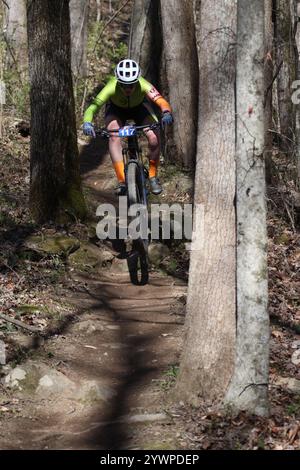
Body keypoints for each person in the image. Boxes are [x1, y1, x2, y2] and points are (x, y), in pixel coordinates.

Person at [83, 59, 173, 195]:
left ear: (137, 81)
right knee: (114, 136)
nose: (128, 89)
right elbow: (92, 107)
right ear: (118, 81)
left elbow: (160, 100)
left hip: (140, 109)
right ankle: (121, 181)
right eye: (124, 85)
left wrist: (166, 112)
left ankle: (153, 176)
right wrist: (87, 122)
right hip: (116, 110)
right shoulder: (111, 86)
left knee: (154, 138)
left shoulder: (143, 83)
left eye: (131, 85)